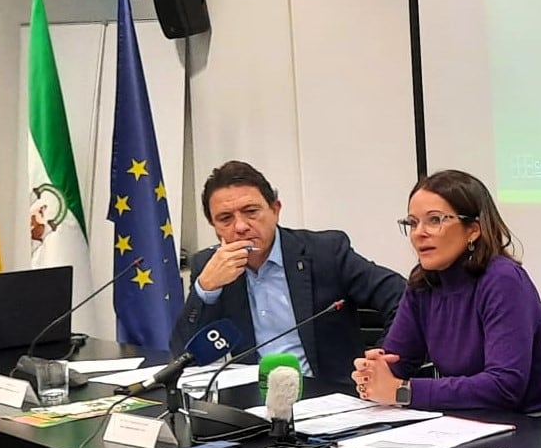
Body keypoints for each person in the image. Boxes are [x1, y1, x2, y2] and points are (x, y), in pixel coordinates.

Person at [171, 161, 404, 391]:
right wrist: (206, 288)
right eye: (225, 219)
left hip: (332, 395)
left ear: (275, 210)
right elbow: (183, 355)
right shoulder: (209, 266)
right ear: (213, 225)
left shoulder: (325, 252)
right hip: (255, 403)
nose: (240, 226)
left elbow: (402, 297)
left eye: (251, 212)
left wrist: (381, 360)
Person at [352, 170, 541, 413]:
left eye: (434, 220)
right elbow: (396, 363)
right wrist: (372, 373)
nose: (419, 233)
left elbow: (504, 387)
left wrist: (403, 391)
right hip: (461, 425)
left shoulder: (503, 280)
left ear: (473, 230)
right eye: (412, 222)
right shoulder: (424, 283)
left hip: (531, 429)